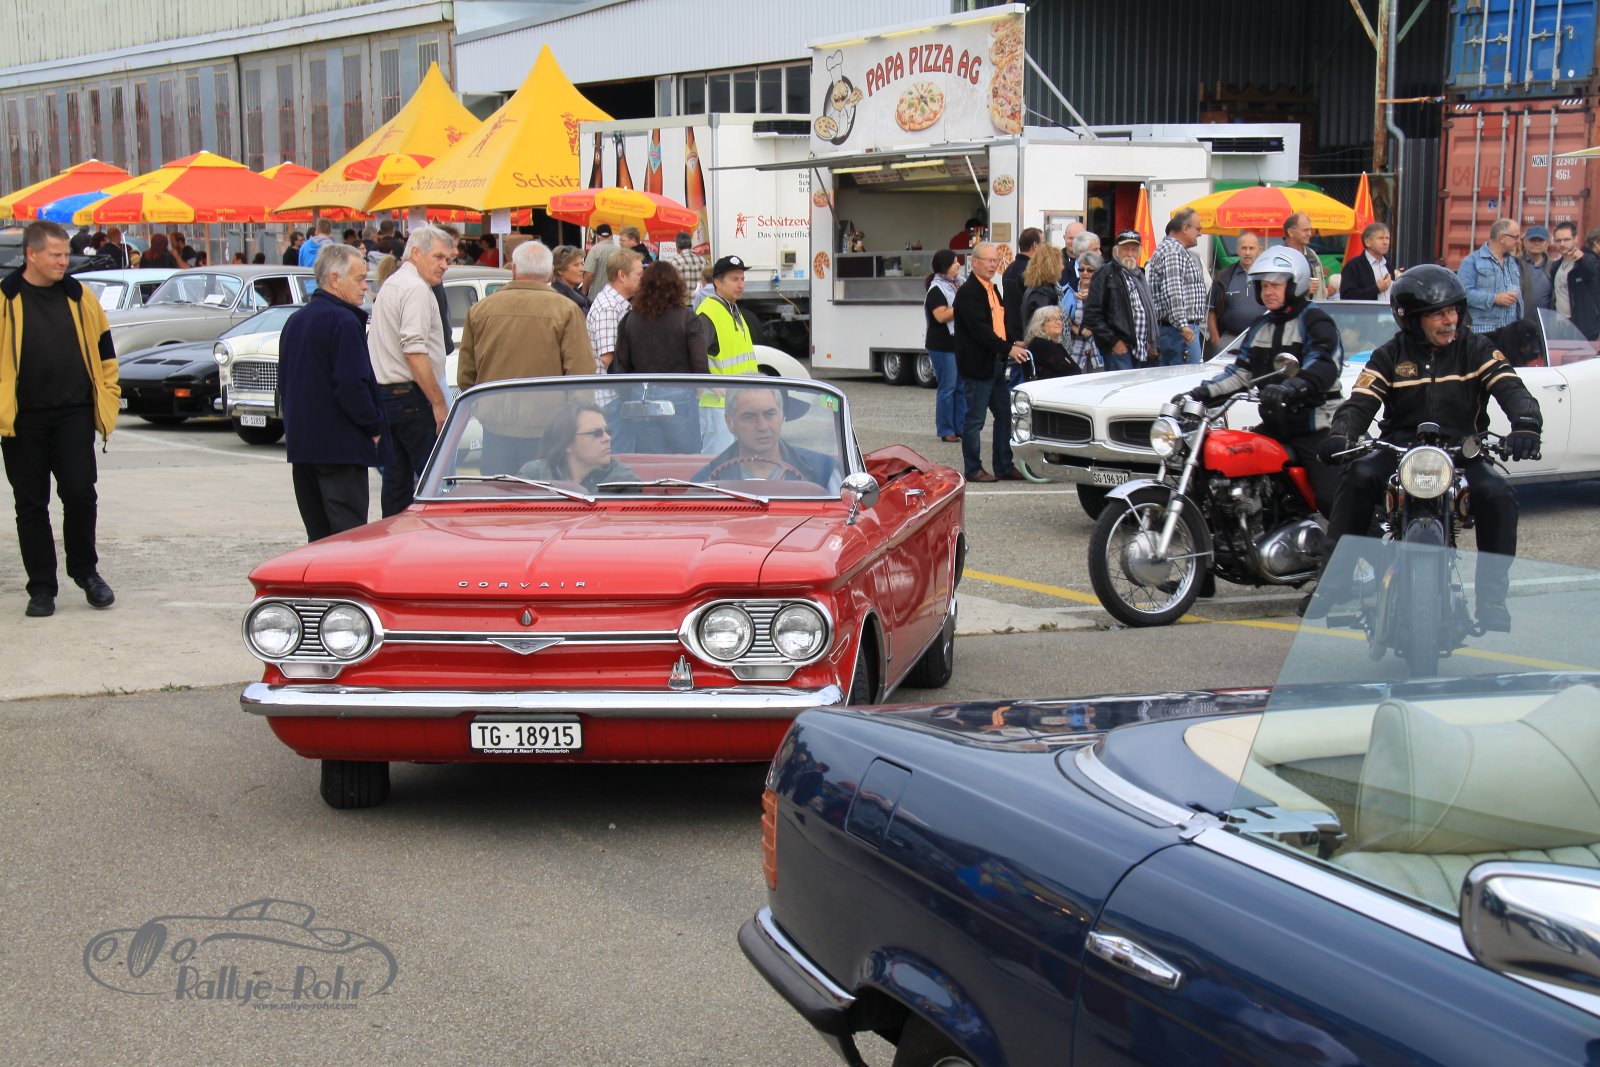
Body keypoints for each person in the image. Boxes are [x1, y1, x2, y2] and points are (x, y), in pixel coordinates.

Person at [1313, 265, 1542, 631]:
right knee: (1357, 477)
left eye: (1453, 310)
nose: (1450, 320)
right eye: (1438, 314)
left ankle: (1492, 598)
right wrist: (1342, 433)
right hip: (1398, 450)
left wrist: (1526, 424)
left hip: (1462, 451)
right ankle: (1332, 584)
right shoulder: (1389, 355)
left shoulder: (1477, 349)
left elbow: (1512, 389)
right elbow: (1359, 402)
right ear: (1411, 319)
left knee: (1499, 494)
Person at [0, 221, 120, 617]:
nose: (63, 261)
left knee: (81, 494)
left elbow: (105, 351)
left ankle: (86, 573)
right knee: (31, 505)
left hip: (74, 414)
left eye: (65, 254)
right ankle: (41, 588)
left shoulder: (80, 297)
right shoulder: (5, 299)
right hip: (22, 421)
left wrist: (109, 395)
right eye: (55, 255)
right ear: (31, 254)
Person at [1178, 245, 1344, 516]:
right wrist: (1198, 394)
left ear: (1295, 284)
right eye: (1264, 286)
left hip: (1317, 427)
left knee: (1331, 500)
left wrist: (1293, 386)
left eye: (1275, 285)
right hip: (1277, 427)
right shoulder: (1260, 326)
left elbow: (1324, 364)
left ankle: (1344, 538)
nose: (1268, 291)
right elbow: (1240, 372)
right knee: (1227, 468)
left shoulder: (1315, 321)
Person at [278, 243, 387, 542]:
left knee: (318, 538)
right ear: (335, 279)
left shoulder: (295, 320)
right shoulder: (343, 321)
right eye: (360, 279)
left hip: (304, 447)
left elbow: (285, 382)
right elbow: (352, 385)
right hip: (340, 448)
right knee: (346, 539)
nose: (365, 287)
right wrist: (374, 426)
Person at [457, 241, 595, 474]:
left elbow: (466, 374)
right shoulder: (566, 310)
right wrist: (577, 425)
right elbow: (581, 375)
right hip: (548, 427)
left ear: (513, 269)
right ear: (550, 273)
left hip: (495, 425)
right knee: (544, 493)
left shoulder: (480, 310)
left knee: (498, 492)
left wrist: (483, 408)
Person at [367, 224, 453, 517]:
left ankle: (394, 536)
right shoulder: (414, 288)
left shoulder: (394, 283)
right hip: (409, 397)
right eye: (438, 257)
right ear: (416, 254)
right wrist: (438, 403)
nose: (444, 265)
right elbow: (414, 350)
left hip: (390, 396)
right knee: (434, 481)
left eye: (447, 259)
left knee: (397, 481)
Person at [613, 261, 709, 454]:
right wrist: (698, 393)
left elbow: (622, 362)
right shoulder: (686, 318)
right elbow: (699, 363)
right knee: (686, 459)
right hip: (679, 392)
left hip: (642, 394)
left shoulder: (630, 319)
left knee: (651, 459)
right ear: (676, 286)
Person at [953, 241, 1026, 482]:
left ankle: (1004, 466)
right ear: (975, 263)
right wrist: (1009, 348)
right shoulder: (968, 292)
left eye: (996, 260)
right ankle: (973, 468)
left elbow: (999, 325)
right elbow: (981, 331)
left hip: (996, 363)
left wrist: (1013, 342)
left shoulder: (992, 289)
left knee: (1005, 414)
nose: (993, 265)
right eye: (989, 260)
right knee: (975, 420)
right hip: (978, 365)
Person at [691, 386, 840, 492]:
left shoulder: (823, 472)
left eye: (770, 414)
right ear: (730, 422)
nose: (762, 426)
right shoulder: (705, 482)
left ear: (781, 416)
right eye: (749, 416)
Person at [694, 254, 761, 453]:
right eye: (734, 279)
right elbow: (695, 355)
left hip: (739, 404)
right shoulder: (708, 313)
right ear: (717, 282)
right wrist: (709, 382)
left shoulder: (732, 309)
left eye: (742, 279)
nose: (740, 284)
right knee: (718, 463)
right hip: (718, 407)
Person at [518, 401, 639, 492]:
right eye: (596, 433)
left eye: (608, 431)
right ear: (567, 443)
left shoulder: (623, 483)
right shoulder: (534, 475)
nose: (608, 438)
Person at [1085, 231, 1159, 371]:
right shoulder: (1105, 274)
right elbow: (1092, 314)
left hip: (1141, 349)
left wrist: (1151, 341)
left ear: (1139, 252)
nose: (1129, 254)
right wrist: (1113, 342)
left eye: (1134, 249)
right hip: (1119, 350)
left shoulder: (1140, 275)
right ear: (1117, 250)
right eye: (1125, 249)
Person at [1146, 208, 1207, 366]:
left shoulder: (1173, 249)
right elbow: (1174, 291)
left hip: (1175, 330)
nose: (1200, 234)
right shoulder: (1174, 251)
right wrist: (1183, 325)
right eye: (1198, 229)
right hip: (1179, 332)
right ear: (1185, 228)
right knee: (1186, 377)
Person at [923, 249, 966, 442]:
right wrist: (962, 305)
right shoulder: (937, 289)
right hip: (942, 345)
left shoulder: (960, 284)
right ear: (945, 266)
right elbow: (941, 316)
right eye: (954, 262)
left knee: (961, 387)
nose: (958, 264)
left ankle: (961, 427)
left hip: (960, 342)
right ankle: (946, 429)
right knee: (948, 387)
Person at [1457, 217, 1523, 331]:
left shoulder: (1512, 263)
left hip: (1510, 333)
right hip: (1484, 332)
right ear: (1502, 238)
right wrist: (1495, 298)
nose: (1518, 241)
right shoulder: (1472, 261)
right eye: (1515, 237)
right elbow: (1463, 295)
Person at [1208, 231, 1267, 354]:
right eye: (1244, 248)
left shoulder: (1268, 277)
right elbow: (1210, 310)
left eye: (1251, 248)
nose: (1247, 252)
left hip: (1261, 341)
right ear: (1237, 250)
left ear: (1260, 250)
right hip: (1229, 340)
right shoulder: (1223, 276)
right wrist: (1215, 338)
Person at [1017, 242, 1064, 385]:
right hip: (1046, 352)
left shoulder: (1034, 289)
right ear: (1051, 266)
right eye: (1060, 263)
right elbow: (1046, 326)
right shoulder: (1043, 293)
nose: (1063, 267)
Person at [1548, 220, 1600, 340]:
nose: (1562, 244)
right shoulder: (1555, 266)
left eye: (1566, 240)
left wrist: (1583, 259)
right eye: (1558, 240)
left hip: (1584, 329)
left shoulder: (1588, 261)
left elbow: (1593, 272)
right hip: (1560, 326)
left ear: (1575, 239)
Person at [1060, 250, 1103, 371]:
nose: (1085, 273)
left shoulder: (1104, 292)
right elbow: (1062, 318)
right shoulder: (1068, 290)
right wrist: (1077, 329)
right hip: (1075, 353)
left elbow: (1110, 318)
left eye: (1090, 270)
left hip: (1098, 353)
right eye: (1081, 269)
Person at [1338, 222, 1396, 303]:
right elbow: (1346, 296)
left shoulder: (1389, 266)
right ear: (1367, 242)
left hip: (1388, 311)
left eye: (1387, 238)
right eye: (1380, 238)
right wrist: (1376, 289)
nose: (1385, 242)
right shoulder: (1354, 266)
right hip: (1366, 311)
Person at [1002, 226, 1040, 343]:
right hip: (1028, 334)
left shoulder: (1009, 268)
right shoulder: (1032, 271)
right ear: (1035, 245)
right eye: (1042, 244)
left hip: (1010, 332)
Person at [1022, 306, 1080, 381]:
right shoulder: (1040, 344)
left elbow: (1075, 370)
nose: (1058, 322)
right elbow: (1070, 371)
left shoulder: (1055, 344)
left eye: (1059, 318)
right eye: (1053, 319)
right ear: (1041, 325)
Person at [1283, 212, 1328, 299]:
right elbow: (1277, 293)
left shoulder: (1312, 254)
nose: (1310, 234)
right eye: (1305, 230)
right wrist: (1303, 290)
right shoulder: (1281, 258)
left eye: (1310, 230)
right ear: (1291, 232)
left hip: (1316, 307)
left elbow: (1322, 289)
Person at [1517, 224, 1554, 312]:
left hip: (1545, 319)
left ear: (1547, 244)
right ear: (1525, 242)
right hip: (1518, 319)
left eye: (1541, 240)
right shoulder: (1514, 263)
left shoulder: (1554, 266)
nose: (1537, 243)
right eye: (1532, 240)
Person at [550, 245, 591, 313]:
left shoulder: (577, 295)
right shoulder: (559, 300)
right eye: (576, 265)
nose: (582, 269)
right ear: (560, 270)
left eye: (582, 264)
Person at [582, 223, 618, 295]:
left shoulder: (594, 250)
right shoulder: (620, 250)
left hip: (596, 295)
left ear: (598, 236)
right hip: (615, 295)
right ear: (611, 236)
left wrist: (583, 292)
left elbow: (589, 274)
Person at [1059, 221, 1086, 287]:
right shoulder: (1055, 261)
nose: (1074, 242)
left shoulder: (1092, 262)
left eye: (1078, 239)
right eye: (1071, 238)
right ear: (1064, 238)